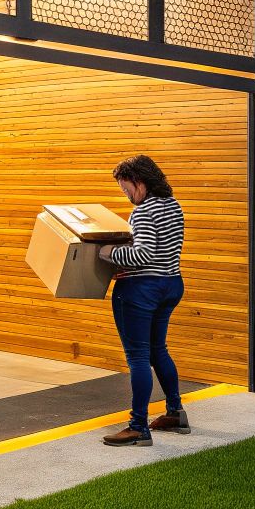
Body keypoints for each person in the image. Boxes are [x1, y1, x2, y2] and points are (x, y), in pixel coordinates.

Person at [98, 154, 188, 446]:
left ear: (139, 181)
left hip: (140, 290)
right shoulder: (174, 206)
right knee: (157, 349)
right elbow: (162, 252)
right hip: (171, 284)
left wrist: (108, 254)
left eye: (126, 189)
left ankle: (138, 427)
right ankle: (175, 412)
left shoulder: (144, 211)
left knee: (137, 357)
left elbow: (143, 255)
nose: (126, 196)